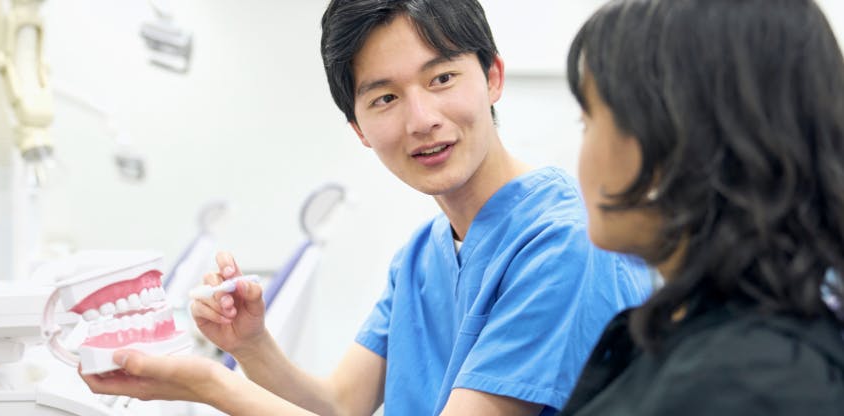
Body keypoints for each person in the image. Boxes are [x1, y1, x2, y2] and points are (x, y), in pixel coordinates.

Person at [82, 1, 652, 414]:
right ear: (358, 128)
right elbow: (339, 403)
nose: (421, 118)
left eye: (443, 77)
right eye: (385, 98)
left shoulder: (564, 243)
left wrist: (212, 385)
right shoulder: (422, 255)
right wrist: (250, 346)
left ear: (493, 77)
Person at [557, 0, 844, 414]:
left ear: (670, 142)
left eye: (588, 123)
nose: (580, 154)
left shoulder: (745, 386)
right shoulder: (686, 333)